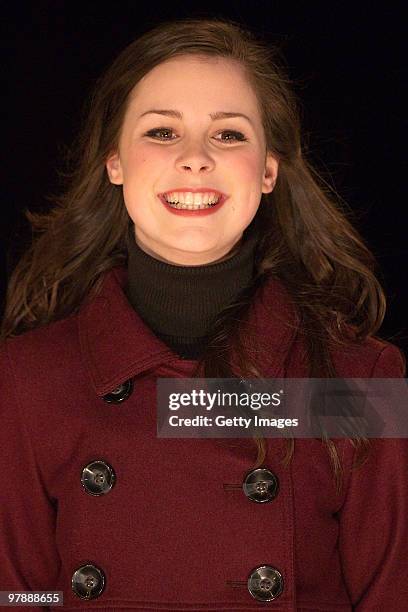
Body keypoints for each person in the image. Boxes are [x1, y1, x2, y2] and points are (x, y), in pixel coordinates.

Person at [1, 16, 406, 611]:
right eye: (162, 132)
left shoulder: (361, 381)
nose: (195, 159)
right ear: (114, 161)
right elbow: (20, 597)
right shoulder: (26, 379)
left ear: (268, 171)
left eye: (229, 135)